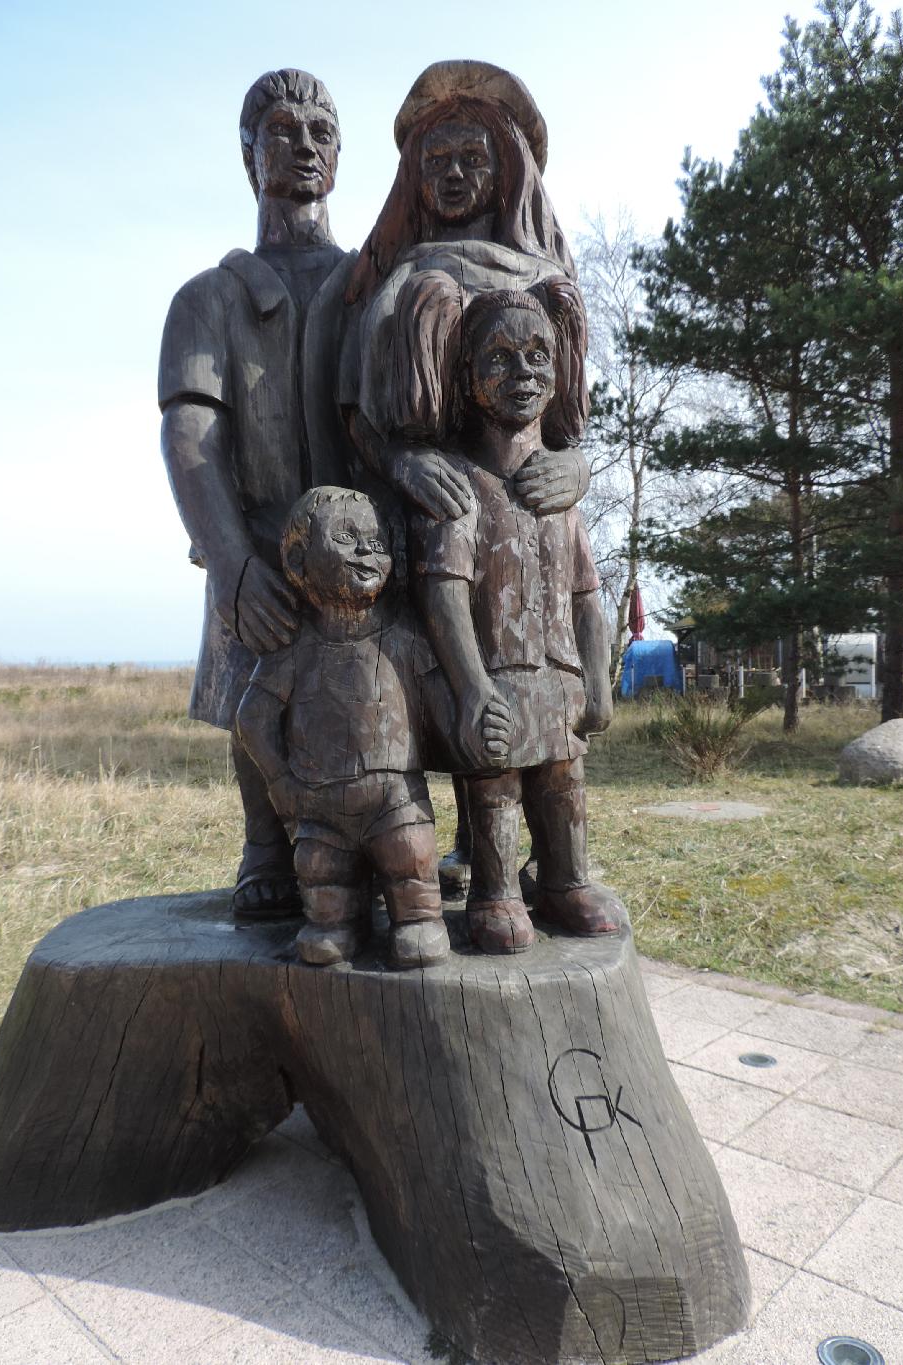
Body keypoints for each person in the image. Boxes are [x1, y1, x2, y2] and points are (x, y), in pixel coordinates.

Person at [342, 61, 594, 895]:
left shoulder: (541, 273)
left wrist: (575, 467)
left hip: (528, 521)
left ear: (507, 168)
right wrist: (403, 458)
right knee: (448, 707)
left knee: (543, 752)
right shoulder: (403, 274)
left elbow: (566, 416)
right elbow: (355, 406)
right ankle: (410, 865)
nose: (453, 174)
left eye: (472, 158)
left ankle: (539, 876)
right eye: (436, 159)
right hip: (431, 516)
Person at [158, 69, 357, 917]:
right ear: (250, 156)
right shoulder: (209, 298)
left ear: (339, 157)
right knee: (256, 683)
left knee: (386, 681)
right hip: (260, 542)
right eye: (283, 131)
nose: (304, 145)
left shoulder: (376, 284)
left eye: (321, 132)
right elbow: (189, 434)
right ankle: (264, 841)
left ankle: (398, 832)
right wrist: (231, 559)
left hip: (364, 552)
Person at [410, 284, 618, 954]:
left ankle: (564, 880)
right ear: (470, 377)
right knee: (494, 790)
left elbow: (589, 596)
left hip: (559, 680)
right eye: (501, 358)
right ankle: (495, 890)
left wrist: (599, 678)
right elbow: (443, 594)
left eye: (537, 356)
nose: (523, 372)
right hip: (495, 680)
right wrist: (470, 687)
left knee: (564, 786)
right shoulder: (463, 487)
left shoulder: (562, 496)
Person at [235, 488, 452, 970]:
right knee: (321, 873)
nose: (366, 552)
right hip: (319, 806)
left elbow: (440, 707)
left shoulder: (405, 637)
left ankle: (417, 920)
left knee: (412, 857)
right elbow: (252, 718)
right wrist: (279, 781)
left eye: (375, 542)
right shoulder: (292, 647)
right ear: (298, 557)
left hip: (397, 800)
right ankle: (334, 922)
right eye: (346, 538)